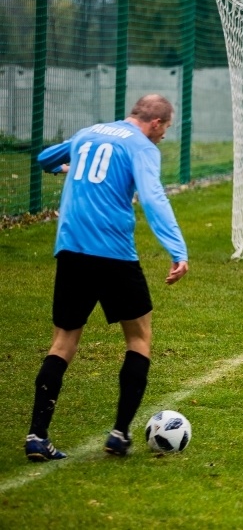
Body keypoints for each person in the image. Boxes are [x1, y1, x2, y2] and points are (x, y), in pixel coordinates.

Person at [25, 94, 189, 461]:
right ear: (157, 123)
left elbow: (45, 159)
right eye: (165, 129)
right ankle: (119, 433)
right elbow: (153, 197)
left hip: (71, 250)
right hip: (114, 254)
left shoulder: (87, 134)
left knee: (63, 342)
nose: (162, 136)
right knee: (139, 337)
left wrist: (65, 167)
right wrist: (177, 250)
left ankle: (37, 436)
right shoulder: (143, 147)